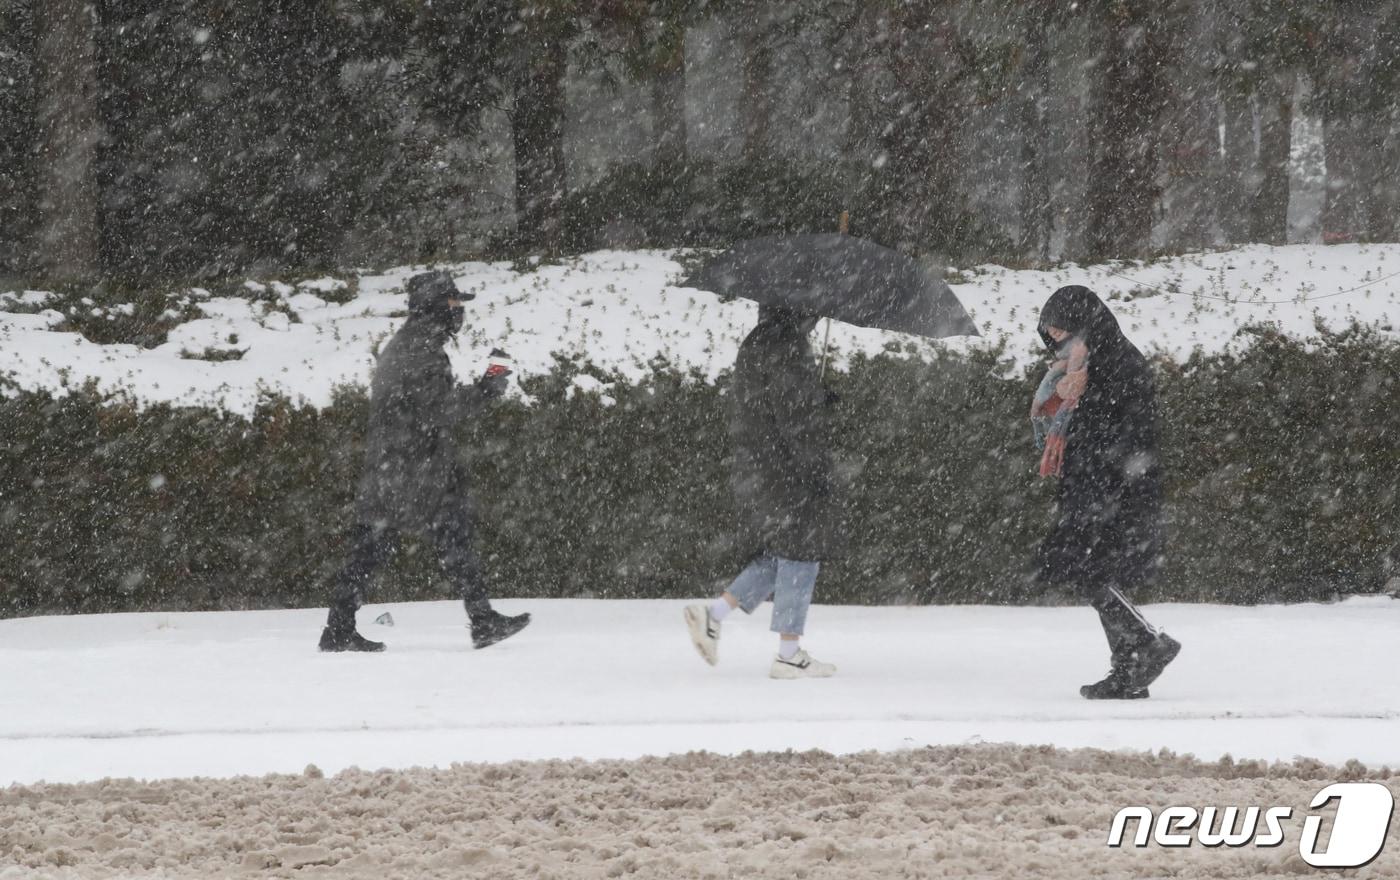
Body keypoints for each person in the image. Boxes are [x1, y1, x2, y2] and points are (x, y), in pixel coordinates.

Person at [318, 270, 530, 652]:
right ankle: (480, 620)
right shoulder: (419, 351)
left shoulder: (412, 345)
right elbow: (437, 410)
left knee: (400, 544)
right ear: (434, 307)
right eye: (452, 303)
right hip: (410, 472)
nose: (458, 311)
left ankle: (480, 619)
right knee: (397, 545)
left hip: (402, 469)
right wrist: (485, 390)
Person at [1035, 285, 1180, 699]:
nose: (1057, 339)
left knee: (1089, 568)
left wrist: (1105, 480)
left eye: (1063, 329)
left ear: (1085, 324)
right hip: (1091, 484)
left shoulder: (1118, 365)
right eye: (1051, 331)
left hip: (1114, 487)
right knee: (1088, 570)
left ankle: (1144, 646)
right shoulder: (1084, 366)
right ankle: (1131, 665)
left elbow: (1130, 432)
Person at [685, 304, 842, 679]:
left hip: (760, 465)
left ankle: (714, 615)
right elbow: (794, 417)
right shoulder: (789, 345)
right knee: (801, 553)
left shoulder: (759, 342)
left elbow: (770, 404)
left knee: (781, 554)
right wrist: (815, 465)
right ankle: (788, 654)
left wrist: (816, 398)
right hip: (787, 467)